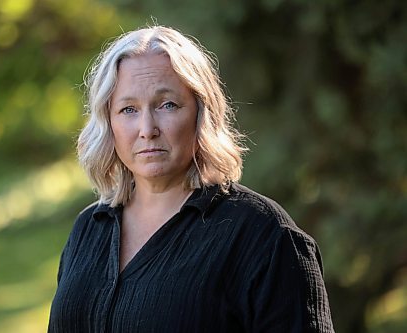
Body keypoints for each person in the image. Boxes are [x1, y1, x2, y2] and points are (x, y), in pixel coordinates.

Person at [48, 25, 334, 332]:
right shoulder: (89, 229)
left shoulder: (264, 236)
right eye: (128, 109)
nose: (147, 128)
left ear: (202, 113)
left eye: (167, 105)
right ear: (109, 123)